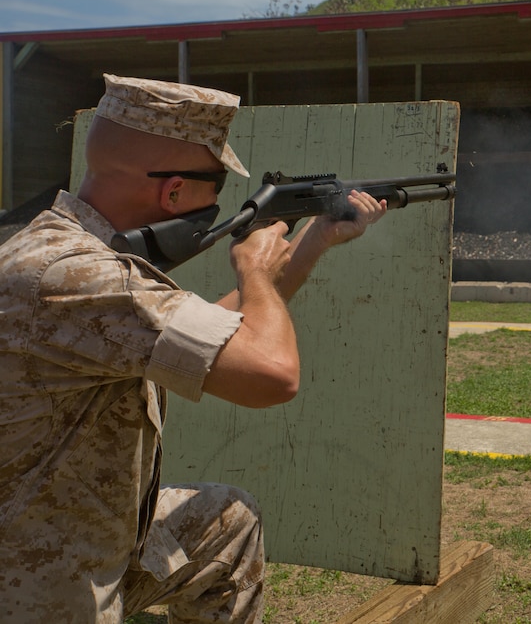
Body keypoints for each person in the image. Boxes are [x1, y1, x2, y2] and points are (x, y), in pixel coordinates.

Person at [0, 74, 387, 622]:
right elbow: (272, 373)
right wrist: (253, 268)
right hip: (34, 584)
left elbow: (217, 338)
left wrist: (313, 241)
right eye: (214, 186)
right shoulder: (72, 274)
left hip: (87, 534)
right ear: (174, 190)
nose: (216, 204)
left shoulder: (73, 258)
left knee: (227, 524)